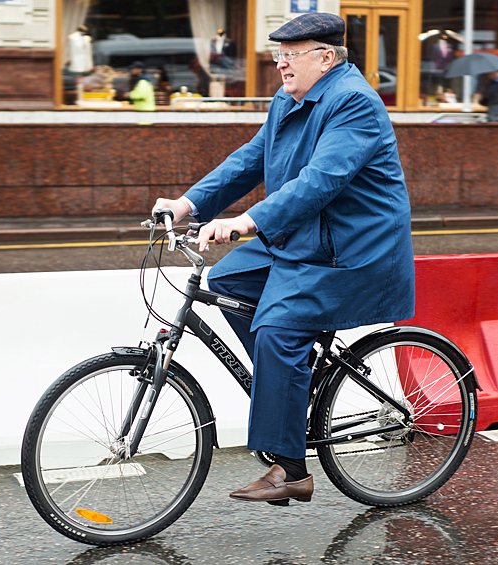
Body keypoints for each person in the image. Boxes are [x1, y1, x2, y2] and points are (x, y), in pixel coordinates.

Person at [151, 12, 414, 505]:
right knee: (228, 283)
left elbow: (320, 181)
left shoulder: (353, 102)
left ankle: (292, 469)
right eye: (279, 55)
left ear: (327, 57)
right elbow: (251, 159)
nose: (280, 64)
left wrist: (246, 222)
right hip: (304, 240)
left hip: (351, 251)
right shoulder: (290, 98)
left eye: (291, 55)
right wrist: (187, 204)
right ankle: (292, 383)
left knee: (277, 330)